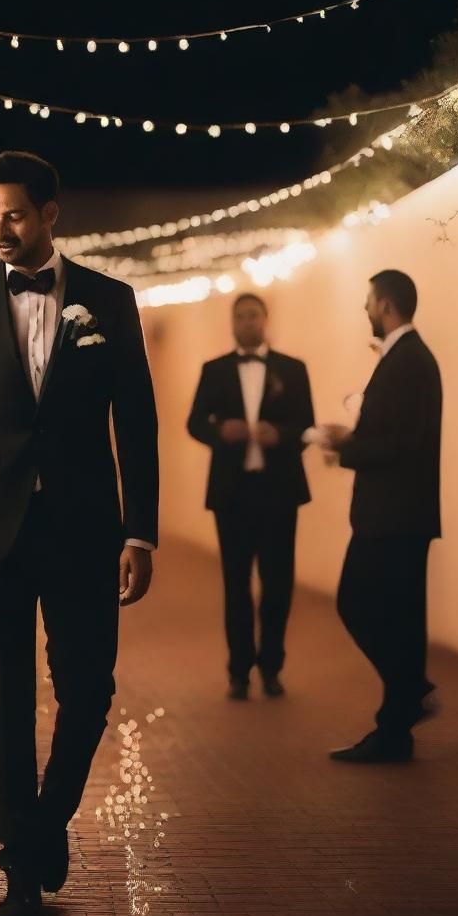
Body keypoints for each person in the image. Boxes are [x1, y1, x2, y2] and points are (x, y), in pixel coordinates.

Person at [0, 151, 159, 916]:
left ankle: (45, 825)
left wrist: (141, 533)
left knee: (89, 689)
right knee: (8, 696)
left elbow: (138, 422)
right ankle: (22, 862)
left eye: (13, 215)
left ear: (51, 214)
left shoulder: (110, 302)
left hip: (86, 528)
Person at [319, 270, 441, 763]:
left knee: (356, 601)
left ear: (386, 305)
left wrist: (345, 447)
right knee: (403, 618)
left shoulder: (408, 360)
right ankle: (394, 732)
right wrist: (351, 438)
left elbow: (400, 443)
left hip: (392, 516)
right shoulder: (409, 358)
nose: (366, 311)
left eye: (369, 302)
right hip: (403, 514)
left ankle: (410, 691)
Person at [186, 293, 315, 700]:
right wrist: (219, 430)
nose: (247, 322)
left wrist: (282, 435)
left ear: (265, 319)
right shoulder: (215, 370)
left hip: (279, 491)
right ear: (232, 323)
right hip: (232, 494)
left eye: (253, 315)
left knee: (278, 584)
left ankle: (272, 667)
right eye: (240, 317)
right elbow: (194, 421)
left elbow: (305, 424)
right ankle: (238, 671)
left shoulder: (293, 370)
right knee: (236, 584)